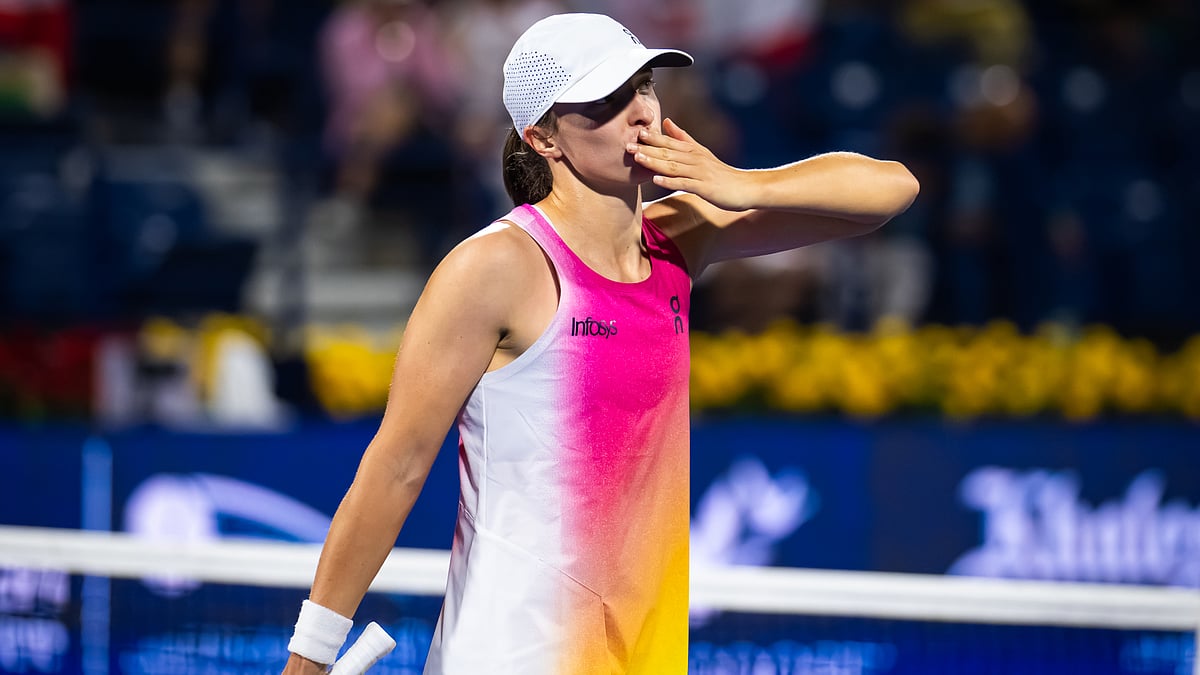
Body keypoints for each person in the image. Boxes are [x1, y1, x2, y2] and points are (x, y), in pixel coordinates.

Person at [282, 12, 918, 675]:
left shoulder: (680, 236)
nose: (641, 112)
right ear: (543, 137)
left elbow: (892, 188)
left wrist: (741, 184)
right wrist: (312, 654)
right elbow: (396, 467)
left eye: (643, 86)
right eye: (607, 101)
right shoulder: (495, 267)